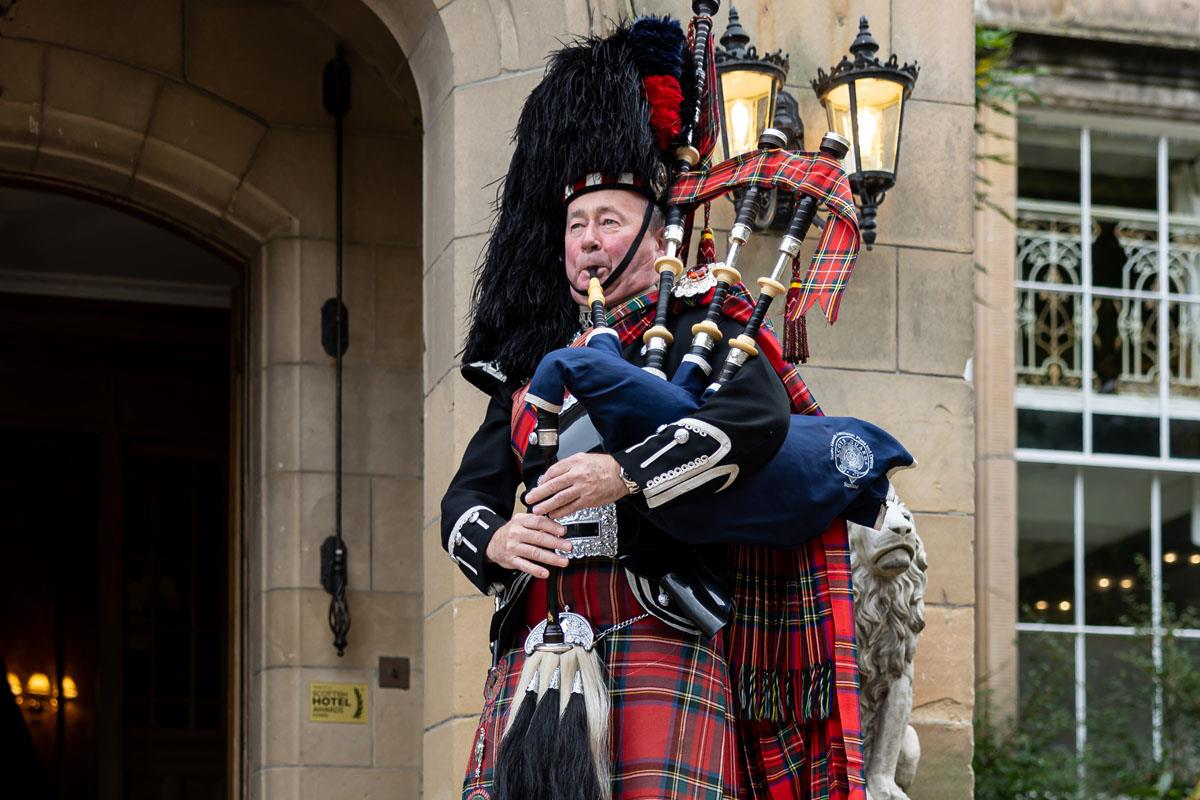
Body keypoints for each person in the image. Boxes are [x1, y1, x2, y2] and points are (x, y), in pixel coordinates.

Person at [441, 16, 866, 800]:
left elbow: (756, 423)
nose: (588, 241)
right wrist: (497, 538)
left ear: (652, 230)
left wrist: (622, 473)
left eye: (607, 220)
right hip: (537, 642)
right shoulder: (532, 363)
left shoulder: (703, 322)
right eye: (575, 226)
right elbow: (466, 495)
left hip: (658, 627)